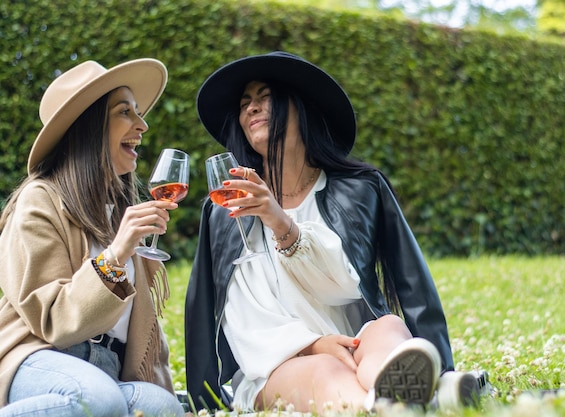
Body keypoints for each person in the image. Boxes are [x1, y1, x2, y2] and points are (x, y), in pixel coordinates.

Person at [185, 51, 480, 413]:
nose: (251, 108)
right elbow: (241, 321)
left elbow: (364, 284)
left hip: (356, 343)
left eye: (265, 97)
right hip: (277, 367)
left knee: (386, 327)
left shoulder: (358, 191)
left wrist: (281, 223)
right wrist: (312, 345)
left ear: (300, 108)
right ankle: (409, 404)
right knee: (324, 369)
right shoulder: (224, 212)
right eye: (245, 103)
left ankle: (409, 393)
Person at [0, 59, 186, 417]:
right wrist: (116, 254)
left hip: (107, 369)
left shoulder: (116, 212)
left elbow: (143, 330)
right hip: (39, 358)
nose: (142, 124)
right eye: (125, 112)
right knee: (98, 400)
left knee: (163, 408)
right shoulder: (39, 200)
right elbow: (53, 320)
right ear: (90, 126)